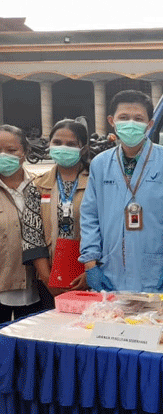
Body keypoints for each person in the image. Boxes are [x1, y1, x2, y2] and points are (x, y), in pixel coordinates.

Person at [79, 90, 163, 293]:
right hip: (109, 270)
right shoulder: (100, 164)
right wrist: (90, 263)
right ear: (112, 121)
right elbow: (89, 216)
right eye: (124, 117)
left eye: (138, 118)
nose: (130, 123)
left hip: (155, 271)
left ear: (149, 124)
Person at [34, 119, 91, 305]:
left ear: (83, 148)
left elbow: (108, 229)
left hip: (87, 275)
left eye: (71, 144)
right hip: (47, 276)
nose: (63, 147)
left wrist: (91, 272)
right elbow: (32, 234)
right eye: (57, 143)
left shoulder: (96, 183)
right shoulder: (38, 185)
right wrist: (46, 277)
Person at [0, 125, 50, 322]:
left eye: (11, 150)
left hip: (39, 286)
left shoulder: (42, 186)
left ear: (25, 152)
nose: (4, 155)